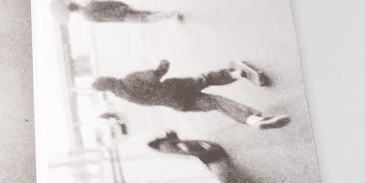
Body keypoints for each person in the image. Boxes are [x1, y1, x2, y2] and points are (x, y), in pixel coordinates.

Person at [91, 59, 290, 129]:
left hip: (179, 105)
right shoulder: (128, 79)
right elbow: (154, 75)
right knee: (206, 78)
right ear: (109, 78)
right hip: (178, 88)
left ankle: (253, 120)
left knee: (215, 103)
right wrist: (163, 65)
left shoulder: (123, 96)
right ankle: (236, 74)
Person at [67, 0, 183, 23]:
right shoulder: (90, 5)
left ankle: (173, 15)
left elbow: (105, 21)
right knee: (147, 14)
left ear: (74, 11)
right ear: (77, 4)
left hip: (121, 17)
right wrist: (122, 4)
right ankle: (171, 14)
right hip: (122, 9)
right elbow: (109, 3)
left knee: (145, 19)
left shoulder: (87, 18)